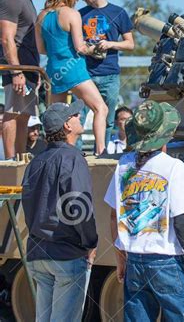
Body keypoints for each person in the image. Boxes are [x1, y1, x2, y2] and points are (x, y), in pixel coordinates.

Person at [104, 101, 184, 321]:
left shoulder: (123, 165)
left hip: (134, 261)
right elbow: (180, 221)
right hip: (167, 262)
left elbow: (114, 216)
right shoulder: (173, 167)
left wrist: (121, 258)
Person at [21, 101, 98, 322]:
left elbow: (28, 206)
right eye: (75, 114)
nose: (80, 116)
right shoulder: (73, 158)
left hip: (38, 252)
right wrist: (90, 242)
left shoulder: (35, 162)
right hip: (66, 254)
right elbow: (79, 205)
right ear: (67, 125)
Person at [35, 0, 108, 155]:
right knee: (100, 108)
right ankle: (100, 151)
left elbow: (41, 49)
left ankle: (56, 152)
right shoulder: (71, 13)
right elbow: (80, 47)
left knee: (56, 117)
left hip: (53, 71)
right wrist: (94, 48)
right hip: (73, 69)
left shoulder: (41, 16)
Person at [0, 0, 53, 160]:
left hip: (27, 68)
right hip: (17, 68)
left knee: (23, 116)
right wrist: (16, 72)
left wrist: (33, 70)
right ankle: (10, 163)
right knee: (13, 114)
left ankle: (21, 161)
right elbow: (6, 38)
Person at [78, 0, 134, 146]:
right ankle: (75, 155)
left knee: (108, 119)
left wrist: (110, 44)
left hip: (110, 75)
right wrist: (88, 49)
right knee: (77, 118)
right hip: (85, 75)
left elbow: (130, 44)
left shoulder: (118, 13)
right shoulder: (79, 15)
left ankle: (101, 154)